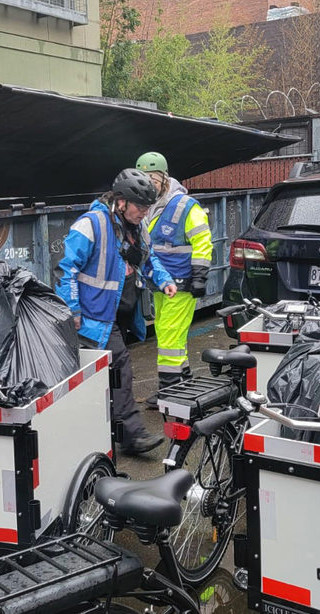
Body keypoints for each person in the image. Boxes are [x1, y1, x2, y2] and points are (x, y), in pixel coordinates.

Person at [55, 168, 177, 456]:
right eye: (140, 207)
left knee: (106, 377)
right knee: (119, 370)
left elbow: (149, 261)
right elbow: (66, 270)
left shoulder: (136, 228)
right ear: (121, 202)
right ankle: (131, 436)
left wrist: (164, 281)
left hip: (116, 315)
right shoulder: (92, 224)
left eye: (148, 207)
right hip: (92, 319)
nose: (145, 213)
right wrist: (73, 312)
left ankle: (107, 433)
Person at [135, 152, 213, 409]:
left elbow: (202, 241)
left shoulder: (185, 206)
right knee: (172, 336)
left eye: (152, 180)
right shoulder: (148, 206)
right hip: (160, 282)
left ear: (164, 179)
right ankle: (183, 380)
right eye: (143, 180)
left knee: (168, 336)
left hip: (181, 283)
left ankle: (168, 390)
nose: (148, 185)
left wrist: (199, 276)